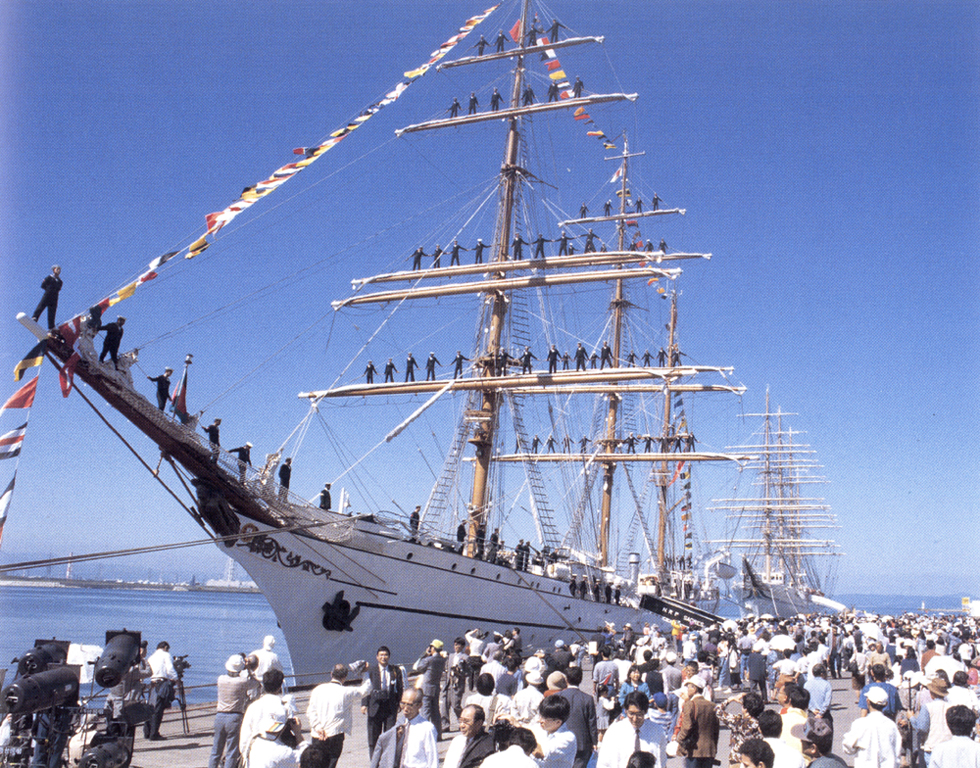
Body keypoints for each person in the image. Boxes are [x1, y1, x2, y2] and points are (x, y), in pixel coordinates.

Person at [307, 661, 372, 768]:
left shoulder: (317, 689)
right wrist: (365, 673)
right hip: (335, 734)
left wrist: (317, 726)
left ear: (331, 674)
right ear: (345, 677)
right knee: (331, 763)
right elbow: (365, 690)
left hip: (317, 734)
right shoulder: (346, 692)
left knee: (315, 764)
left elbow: (310, 711)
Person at [210, 654, 260, 768]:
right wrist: (249, 669)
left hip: (219, 716)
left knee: (216, 751)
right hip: (234, 717)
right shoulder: (242, 682)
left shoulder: (221, 679)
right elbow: (256, 683)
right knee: (231, 752)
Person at [369, 688, 438, 768]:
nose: (405, 709)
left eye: (409, 705)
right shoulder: (400, 724)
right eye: (403, 704)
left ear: (419, 705)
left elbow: (432, 759)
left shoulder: (427, 728)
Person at [597, 691, 667, 768]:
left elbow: (662, 762)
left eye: (639, 714)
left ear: (646, 711)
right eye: (631, 714)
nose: (634, 719)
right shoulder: (614, 732)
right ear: (625, 711)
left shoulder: (657, 732)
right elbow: (603, 764)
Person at [240, 669, 297, 760]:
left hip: (255, 754)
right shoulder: (285, 708)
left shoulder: (253, 707)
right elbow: (291, 736)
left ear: (263, 685)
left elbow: (245, 736)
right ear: (280, 686)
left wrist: (246, 757)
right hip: (279, 755)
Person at [676, 675, 720, 768]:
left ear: (694, 689)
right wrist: (714, 748)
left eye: (688, 687)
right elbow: (716, 730)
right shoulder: (712, 705)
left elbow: (687, 727)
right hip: (709, 750)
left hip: (694, 750)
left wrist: (679, 740)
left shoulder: (690, 704)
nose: (687, 690)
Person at [558, 666, 597, 768]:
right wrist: (594, 742)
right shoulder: (587, 699)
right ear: (581, 679)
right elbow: (591, 722)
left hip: (561, 740)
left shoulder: (558, 696)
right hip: (582, 742)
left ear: (566, 679)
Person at [409, 640, 447, 741]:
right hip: (436, 688)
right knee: (436, 713)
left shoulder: (429, 660)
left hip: (426, 689)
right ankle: (438, 735)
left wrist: (424, 654)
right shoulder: (442, 660)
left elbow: (417, 667)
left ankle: (424, 736)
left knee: (425, 712)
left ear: (433, 648)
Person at [716, 691, 765, 768]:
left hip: (738, 760)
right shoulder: (761, 723)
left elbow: (717, 710)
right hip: (755, 761)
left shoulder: (739, 722)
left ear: (745, 709)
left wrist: (729, 700)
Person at [144, 641, 178, 740]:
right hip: (162, 683)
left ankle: (147, 732)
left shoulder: (151, 657)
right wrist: (176, 678)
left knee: (150, 708)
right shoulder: (166, 655)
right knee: (158, 710)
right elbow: (170, 669)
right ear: (165, 647)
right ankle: (154, 734)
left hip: (152, 683)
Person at [534, 694, 577, 768]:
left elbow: (541, 753)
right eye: (541, 716)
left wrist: (524, 736)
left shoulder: (568, 737)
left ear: (558, 722)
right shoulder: (540, 729)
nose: (540, 720)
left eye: (545, 718)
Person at [31, 265, 63, 330]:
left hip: (55, 297)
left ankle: (51, 326)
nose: (58, 271)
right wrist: (48, 290)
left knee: (52, 311)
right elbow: (43, 285)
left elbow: (59, 289)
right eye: (57, 269)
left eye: (59, 269)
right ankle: (35, 317)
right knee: (41, 306)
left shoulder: (60, 281)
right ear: (54, 270)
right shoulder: (49, 277)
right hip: (48, 295)